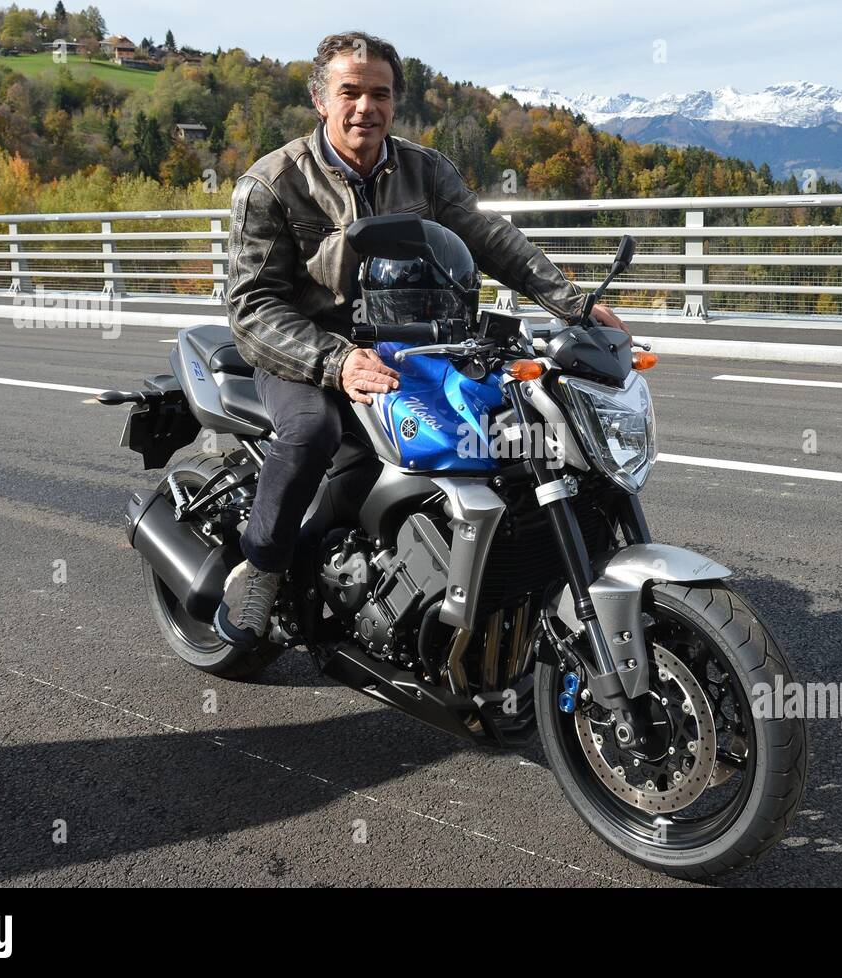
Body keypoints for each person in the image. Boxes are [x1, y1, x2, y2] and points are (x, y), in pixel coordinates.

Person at [217, 30, 629, 647]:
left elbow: (490, 240)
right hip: (304, 347)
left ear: (394, 102)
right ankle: (265, 566)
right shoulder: (272, 183)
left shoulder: (426, 171)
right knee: (314, 433)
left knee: (499, 433)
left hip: (414, 343)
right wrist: (334, 362)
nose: (365, 107)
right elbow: (251, 305)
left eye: (379, 94)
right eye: (349, 92)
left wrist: (575, 303)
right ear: (321, 101)